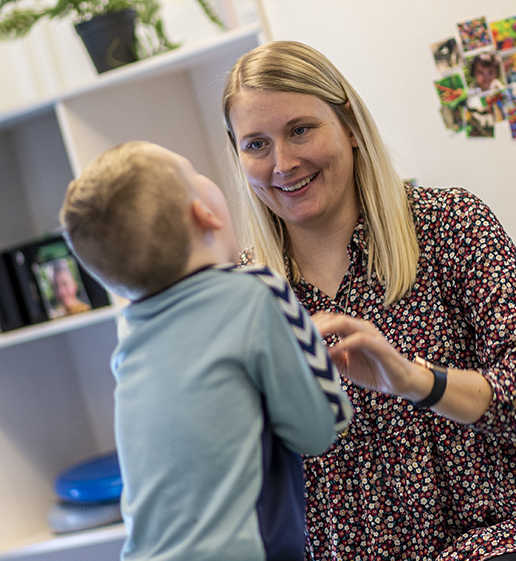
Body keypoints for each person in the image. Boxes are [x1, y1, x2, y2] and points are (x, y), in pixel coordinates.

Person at [222, 41, 516, 561]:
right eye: (256, 144)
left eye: (300, 129)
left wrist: (414, 379)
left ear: (347, 124)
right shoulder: (243, 299)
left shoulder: (451, 226)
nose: (283, 162)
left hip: (501, 541)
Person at [59, 141, 353, 561]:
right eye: (195, 172)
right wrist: (309, 351)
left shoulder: (132, 338)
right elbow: (321, 428)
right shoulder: (255, 291)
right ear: (204, 213)